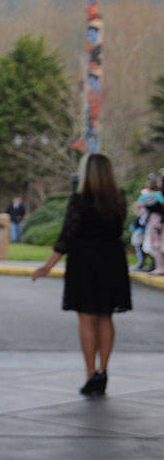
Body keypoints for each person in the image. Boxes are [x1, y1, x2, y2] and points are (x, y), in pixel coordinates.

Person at [32, 153, 131, 395]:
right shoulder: (119, 199)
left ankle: (90, 374)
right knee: (106, 316)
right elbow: (118, 229)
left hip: (84, 262)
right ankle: (103, 371)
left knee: (87, 318)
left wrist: (47, 266)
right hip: (112, 261)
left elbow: (67, 236)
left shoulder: (79, 201)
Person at [140, 173, 164, 275]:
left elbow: (139, 205)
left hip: (156, 221)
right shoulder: (157, 195)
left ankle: (160, 267)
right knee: (156, 245)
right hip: (157, 221)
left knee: (156, 245)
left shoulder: (155, 196)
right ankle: (158, 266)